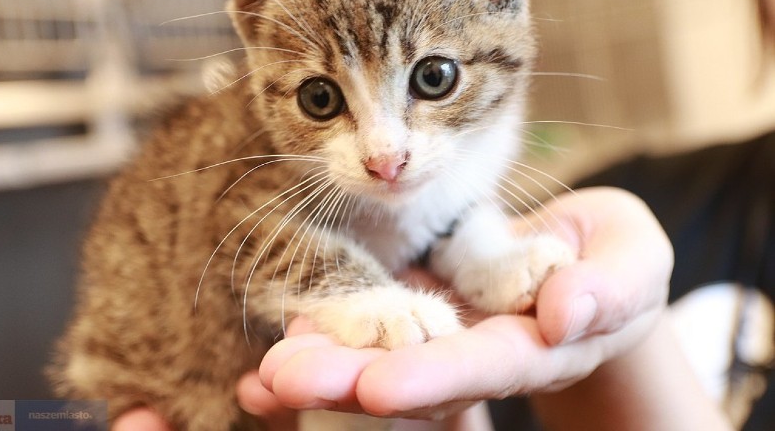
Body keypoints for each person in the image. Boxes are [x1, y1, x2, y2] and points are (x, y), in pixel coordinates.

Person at [111, 187, 734, 431]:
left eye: (432, 79)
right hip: (186, 376)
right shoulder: (698, 181)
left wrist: (628, 336)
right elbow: (248, 225)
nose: (387, 155)